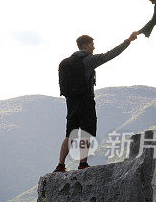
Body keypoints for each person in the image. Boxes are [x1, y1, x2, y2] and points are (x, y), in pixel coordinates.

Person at [53, 32, 138, 173]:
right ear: (85, 46)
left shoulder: (67, 62)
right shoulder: (88, 60)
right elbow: (110, 55)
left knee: (70, 134)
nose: (94, 47)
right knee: (86, 132)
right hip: (85, 101)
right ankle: (82, 164)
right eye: (92, 45)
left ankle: (60, 165)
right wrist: (128, 41)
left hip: (71, 102)